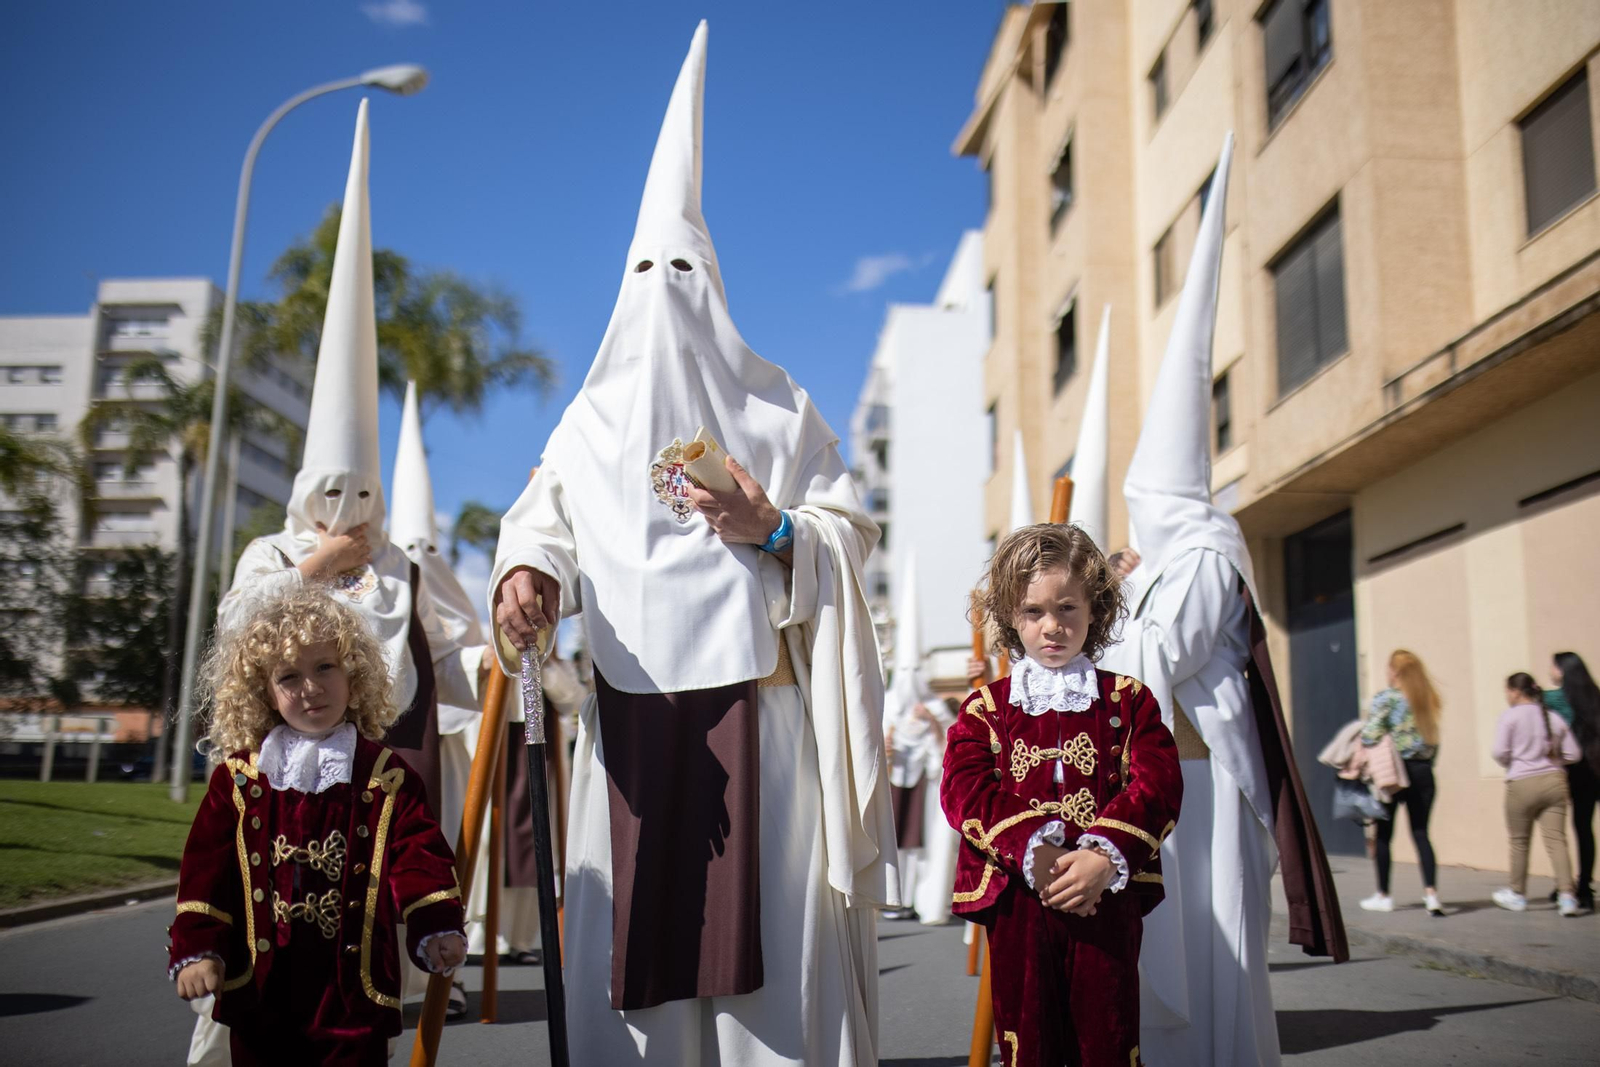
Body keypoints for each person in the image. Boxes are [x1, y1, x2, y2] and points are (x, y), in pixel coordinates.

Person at [488, 23, 898, 1065]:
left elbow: (848, 534)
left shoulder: (777, 410)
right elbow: (543, 520)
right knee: (635, 963)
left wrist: (774, 529)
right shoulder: (584, 423)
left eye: (684, 266)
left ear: (713, 280)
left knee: (774, 958)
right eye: (646, 268)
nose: (665, 288)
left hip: (763, 720)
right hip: (627, 728)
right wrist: (530, 572)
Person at [189, 100, 479, 1064]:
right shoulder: (271, 558)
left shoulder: (401, 560)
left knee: (373, 914)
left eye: (365, 489)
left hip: (379, 759)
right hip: (280, 772)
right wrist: (317, 567)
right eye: (332, 487)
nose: (349, 501)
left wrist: (496, 632)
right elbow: (239, 627)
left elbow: (459, 643)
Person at [1096, 134, 1346, 1067]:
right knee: (1169, 950)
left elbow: (1159, 654)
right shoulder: (1161, 561)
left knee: (1216, 943)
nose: (1139, 512)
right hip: (1167, 773)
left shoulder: (1203, 552)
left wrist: (1110, 609)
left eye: (1147, 500)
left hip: (1203, 774)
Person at [168, 588, 466, 1065]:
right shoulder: (239, 778)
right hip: (262, 988)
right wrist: (198, 944)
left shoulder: (385, 774)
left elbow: (419, 855)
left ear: (354, 673)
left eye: (325, 667)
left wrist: (436, 923)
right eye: (289, 676)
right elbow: (205, 867)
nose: (311, 687)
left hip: (353, 992)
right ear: (263, 691)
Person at [942, 523, 1180, 1067]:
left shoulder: (1129, 700)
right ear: (1010, 616)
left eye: (1067, 607)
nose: (1052, 626)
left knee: (1108, 1037)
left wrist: (1101, 856)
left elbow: (1159, 782)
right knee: (1028, 1038)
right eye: (1033, 612)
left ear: (1094, 609)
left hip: (1106, 895)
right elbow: (964, 788)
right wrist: (1035, 850)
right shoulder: (986, 708)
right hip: (1018, 897)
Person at [1357, 650, 1444, 915]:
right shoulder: (1428, 700)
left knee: (1383, 834)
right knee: (1421, 833)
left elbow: (1370, 735)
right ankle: (1431, 895)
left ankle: (1384, 895)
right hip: (1423, 771)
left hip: (1394, 773)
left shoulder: (1387, 698)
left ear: (1395, 672)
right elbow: (1434, 743)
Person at [1492, 672, 1583, 915]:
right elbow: (1574, 754)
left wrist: (1515, 760)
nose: (1506, 696)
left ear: (1515, 691)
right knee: (1557, 840)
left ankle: (1517, 894)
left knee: (1519, 841)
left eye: (1507, 691)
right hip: (1554, 781)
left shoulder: (1509, 717)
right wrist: (1554, 759)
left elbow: (1499, 752)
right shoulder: (1553, 718)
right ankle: (1567, 896)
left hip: (1521, 783)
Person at [1549, 652, 1600, 911]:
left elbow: (1533, 699)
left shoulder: (1558, 698)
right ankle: (1584, 886)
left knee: (1578, 827)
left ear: (1562, 671)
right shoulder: (1595, 695)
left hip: (1580, 771)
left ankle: (1576, 886)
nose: (1550, 670)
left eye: (1553, 666)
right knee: (1584, 829)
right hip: (1597, 766)